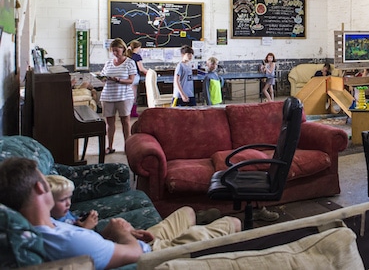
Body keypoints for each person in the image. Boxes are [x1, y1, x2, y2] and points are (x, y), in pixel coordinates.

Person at [0, 157, 241, 270]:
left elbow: (98, 244)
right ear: (41, 188)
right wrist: (121, 233)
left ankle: (195, 226)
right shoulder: (72, 242)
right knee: (233, 223)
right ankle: (204, 234)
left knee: (186, 212)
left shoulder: (46, 226)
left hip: (121, 242)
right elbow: (134, 253)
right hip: (147, 254)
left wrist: (113, 233)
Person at [100, 38, 137, 154]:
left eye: (117, 50)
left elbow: (131, 80)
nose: (115, 53)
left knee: (125, 121)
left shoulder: (130, 62)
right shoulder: (109, 63)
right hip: (108, 95)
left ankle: (128, 146)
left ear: (123, 49)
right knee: (109, 123)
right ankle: (109, 146)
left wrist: (118, 80)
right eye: (113, 51)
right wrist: (103, 78)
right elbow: (103, 76)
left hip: (124, 96)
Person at [126, 40, 148, 118]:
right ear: (137, 47)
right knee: (134, 95)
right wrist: (150, 72)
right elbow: (141, 69)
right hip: (135, 77)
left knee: (127, 95)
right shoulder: (137, 56)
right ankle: (133, 112)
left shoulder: (127, 55)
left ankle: (127, 111)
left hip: (126, 77)